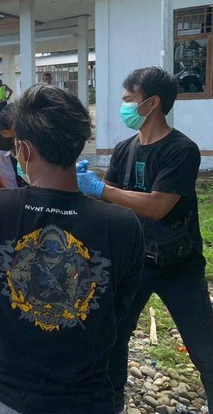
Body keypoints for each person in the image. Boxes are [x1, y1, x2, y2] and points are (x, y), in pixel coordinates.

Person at [0, 83, 144, 414]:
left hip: (3, 396)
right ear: (78, 146)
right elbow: (120, 312)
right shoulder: (123, 224)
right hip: (87, 399)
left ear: (22, 150)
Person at [76, 66, 213, 413]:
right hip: (133, 263)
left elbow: (158, 206)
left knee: (205, 349)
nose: (123, 106)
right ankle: (113, 404)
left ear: (151, 103)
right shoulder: (125, 149)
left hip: (178, 265)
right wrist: (74, 184)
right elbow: (107, 199)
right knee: (114, 339)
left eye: (128, 99)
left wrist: (102, 189)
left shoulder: (181, 150)